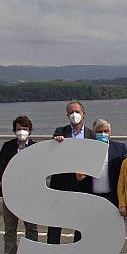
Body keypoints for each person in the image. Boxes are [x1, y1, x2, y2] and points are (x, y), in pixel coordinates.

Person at [78, 118, 127, 254]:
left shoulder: (119, 148)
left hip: (112, 197)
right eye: (99, 132)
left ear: (110, 132)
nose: (103, 134)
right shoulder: (86, 149)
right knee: (93, 231)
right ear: (94, 133)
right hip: (92, 196)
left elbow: (124, 174)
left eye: (106, 131)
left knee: (112, 232)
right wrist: (79, 176)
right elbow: (78, 169)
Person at [0, 115, 39, 254]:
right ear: (14, 130)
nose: (22, 132)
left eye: (25, 129)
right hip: (10, 193)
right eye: (19, 129)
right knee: (10, 228)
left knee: (31, 228)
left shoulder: (35, 148)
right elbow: (0, 169)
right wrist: (11, 184)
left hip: (29, 194)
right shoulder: (7, 147)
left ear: (30, 131)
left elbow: (39, 170)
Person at [48, 100, 94, 244]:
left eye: (77, 112)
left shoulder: (91, 134)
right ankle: (52, 249)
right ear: (67, 115)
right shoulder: (60, 132)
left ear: (83, 114)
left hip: (83, 184)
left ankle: (77, 251)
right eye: (71, 112)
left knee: (81, 220)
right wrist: (56, 142)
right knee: (56, 220)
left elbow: (95, 159)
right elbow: (52, 156)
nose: (74, 115)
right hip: (62, 183)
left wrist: (86, 173)